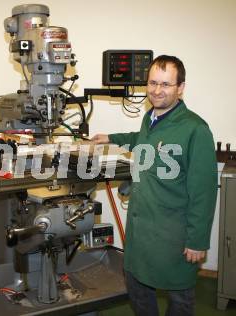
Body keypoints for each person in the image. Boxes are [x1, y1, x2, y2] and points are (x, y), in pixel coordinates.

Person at [91, 55, 217, 315]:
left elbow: (203, 192)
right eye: (152, 83)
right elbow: (142, 139)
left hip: (173, 233)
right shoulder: (150, 119)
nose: (157, 90)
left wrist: (197, 240)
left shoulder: (195, 129)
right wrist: (111, 137)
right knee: (137, 288)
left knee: (179, 297)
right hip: (141, 229)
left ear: (180, 88)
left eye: (166, 84)